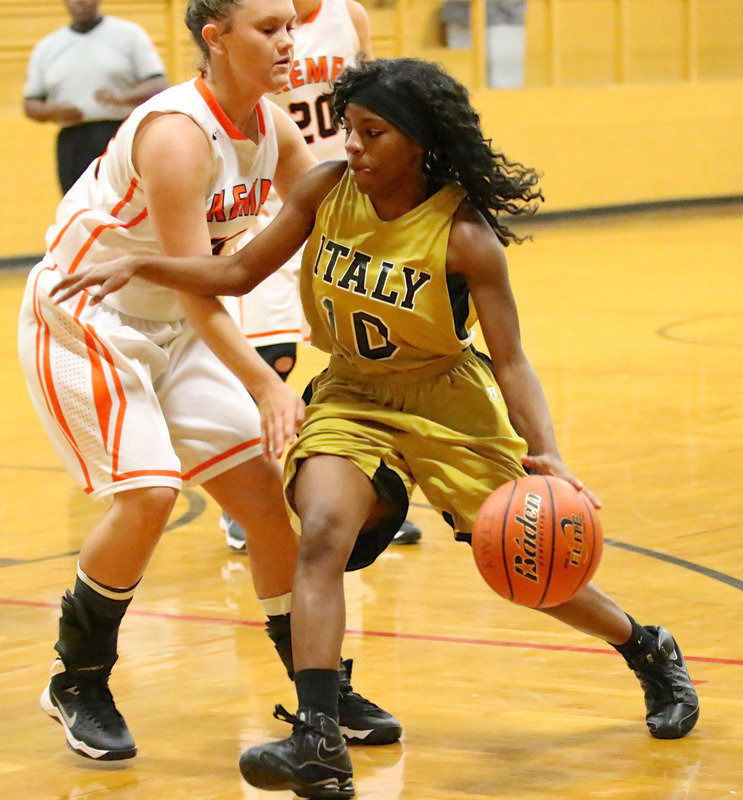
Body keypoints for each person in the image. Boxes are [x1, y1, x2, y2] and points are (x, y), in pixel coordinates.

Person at [52, 57, 700, 800]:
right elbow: (235, 276)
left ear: (419, 141)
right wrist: (141, 264)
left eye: (372, 132)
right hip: (353, 395)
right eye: (350, 129)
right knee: (321, 533)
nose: (351, 145)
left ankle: (644, 647)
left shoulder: (463, 236)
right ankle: (317, 741)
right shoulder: (326, 188)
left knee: (524, 572)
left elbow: (512, 360)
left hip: (447, 405)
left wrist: (545, 452)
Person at [17, 0, 401, 764]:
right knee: (152, 492)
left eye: (291, 25)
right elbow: (204, 284)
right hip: (91, 318)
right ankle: (78, 676)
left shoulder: (271, 123)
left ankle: (315, 688)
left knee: (263, 497)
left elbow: (342, 216)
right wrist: (265, 384)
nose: (288, 40)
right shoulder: (178, 136)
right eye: (268, 28)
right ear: (215, 38)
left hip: (175, 326)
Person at [218, 0, 422, 551]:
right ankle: (248, 499)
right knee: (274, 355)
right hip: (276, 200)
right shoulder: (256, 25)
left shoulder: (348, 15)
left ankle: (375, 492)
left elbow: (379, 100)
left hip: (348, 198)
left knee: (373, 351)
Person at [22, 0, 168, 194]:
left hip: (120, 133)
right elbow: (30, 103)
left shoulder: (129, 35)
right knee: (77, 211)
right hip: (72, 141)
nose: (79, 2)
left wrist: (122, 97)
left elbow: (159, 84)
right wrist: (53, 111)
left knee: (128, 205)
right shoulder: (47, 46)